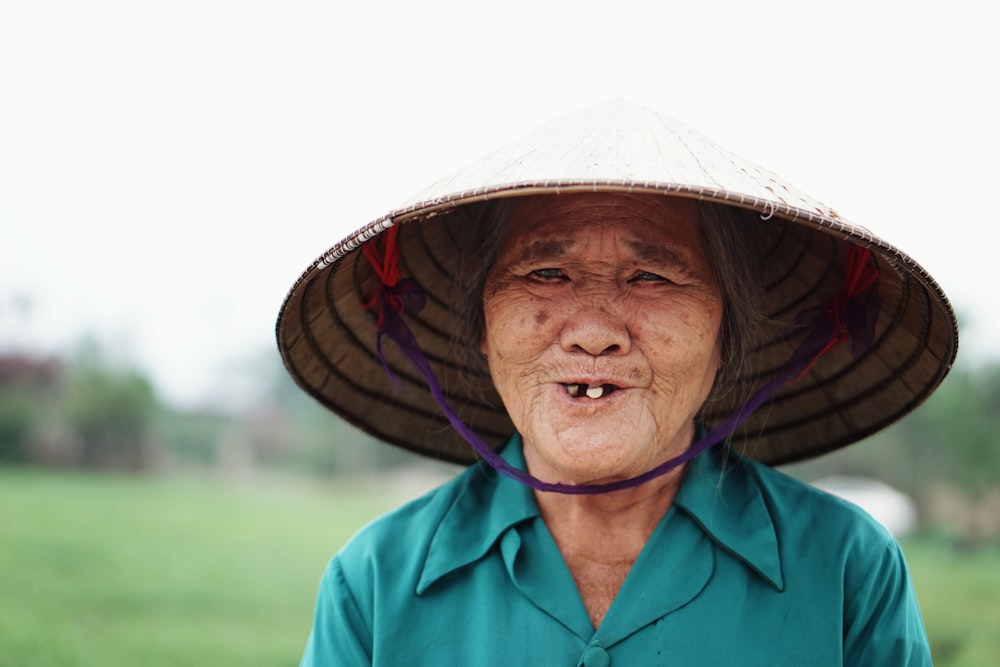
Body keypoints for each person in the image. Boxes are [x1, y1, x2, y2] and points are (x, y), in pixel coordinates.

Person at [276, 100, 957, 665]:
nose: (594, 331)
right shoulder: (374, 582)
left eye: (651, 276)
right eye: (546, 273)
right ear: (483, 328)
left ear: (725, 336)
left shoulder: (845, 570)